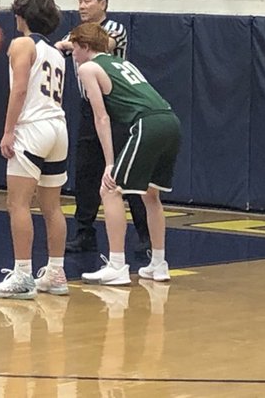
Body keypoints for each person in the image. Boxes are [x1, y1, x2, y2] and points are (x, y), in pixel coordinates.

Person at [69, 21, 181, 285]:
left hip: (146, 124)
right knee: (150, 194)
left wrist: (109, 163)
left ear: (85, 47)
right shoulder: (124, 63)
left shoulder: (88, 67)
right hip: (170, 120)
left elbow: (102, 117)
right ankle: (159, 263)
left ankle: (117, 265)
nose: (73, 55)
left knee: (110, 189)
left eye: (75, 48)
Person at [0, 0, 71, 300]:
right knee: (52, 206)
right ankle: (56, 273)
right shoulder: (57, 52)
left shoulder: (22, 44)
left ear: (20, 16)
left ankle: (22, 275)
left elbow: (19, 89)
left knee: (18, 204)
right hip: (58, 129)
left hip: (32, 128)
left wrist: (8, 131)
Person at [55, 0, 150, 255]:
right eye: (79, 1)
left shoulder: (116, 28)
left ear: (103, 4)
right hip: (89, 107)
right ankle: (85, 233)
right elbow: (59, 47)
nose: (81, 6)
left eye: (87, 1)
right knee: (86, 173)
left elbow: (101, 45)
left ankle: (145, 236)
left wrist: (67, 44)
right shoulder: (76, 34)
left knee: (126, 172)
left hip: (118, 108)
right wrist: (66, 43)